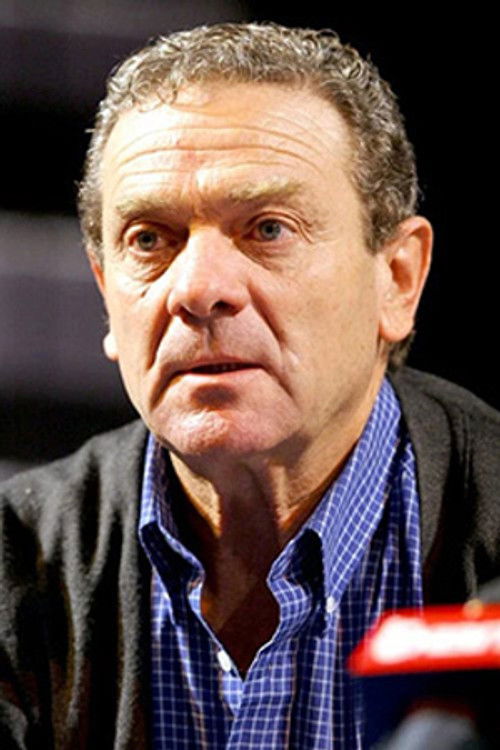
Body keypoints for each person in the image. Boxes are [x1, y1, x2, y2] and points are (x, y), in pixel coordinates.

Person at [1, 22, 500, 750]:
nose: (198, 289)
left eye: (268, 229)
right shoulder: (14, 565)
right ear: (107, 293)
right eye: (150, 239)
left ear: (397, 279)